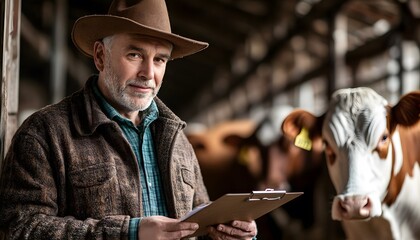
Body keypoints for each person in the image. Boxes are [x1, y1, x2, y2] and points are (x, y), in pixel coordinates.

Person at [0, 0, 258, 239]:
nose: (148, 73)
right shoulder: (45, 133)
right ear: (101, 56)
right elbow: (19, 227)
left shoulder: (178, 139)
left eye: (159, 60)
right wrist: (129, 232)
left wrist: (227, 230)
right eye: (134, 55)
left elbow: (198, 223)